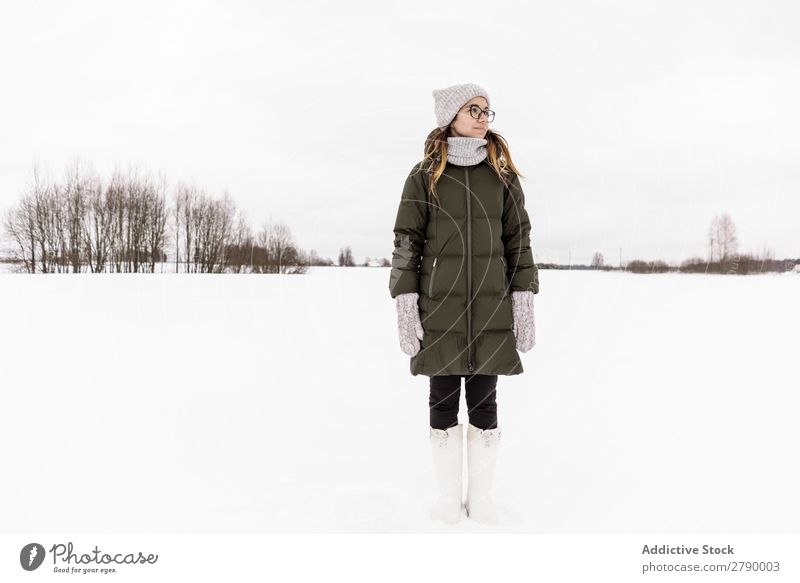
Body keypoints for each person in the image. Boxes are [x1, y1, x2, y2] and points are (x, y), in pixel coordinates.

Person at [388, 83, 539, 524]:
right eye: (473, 109)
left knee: (485, 403)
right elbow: (406, 241)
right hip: (440, 309)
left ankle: (483, 500)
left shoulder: (502, 176)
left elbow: (519, 241)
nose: (482, 117)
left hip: (491, 308)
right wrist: (405, 297)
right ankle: (448, 499)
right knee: (441, 400)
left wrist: (524, 295)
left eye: (487, 110)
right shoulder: (424, 175)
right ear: (450, 116)